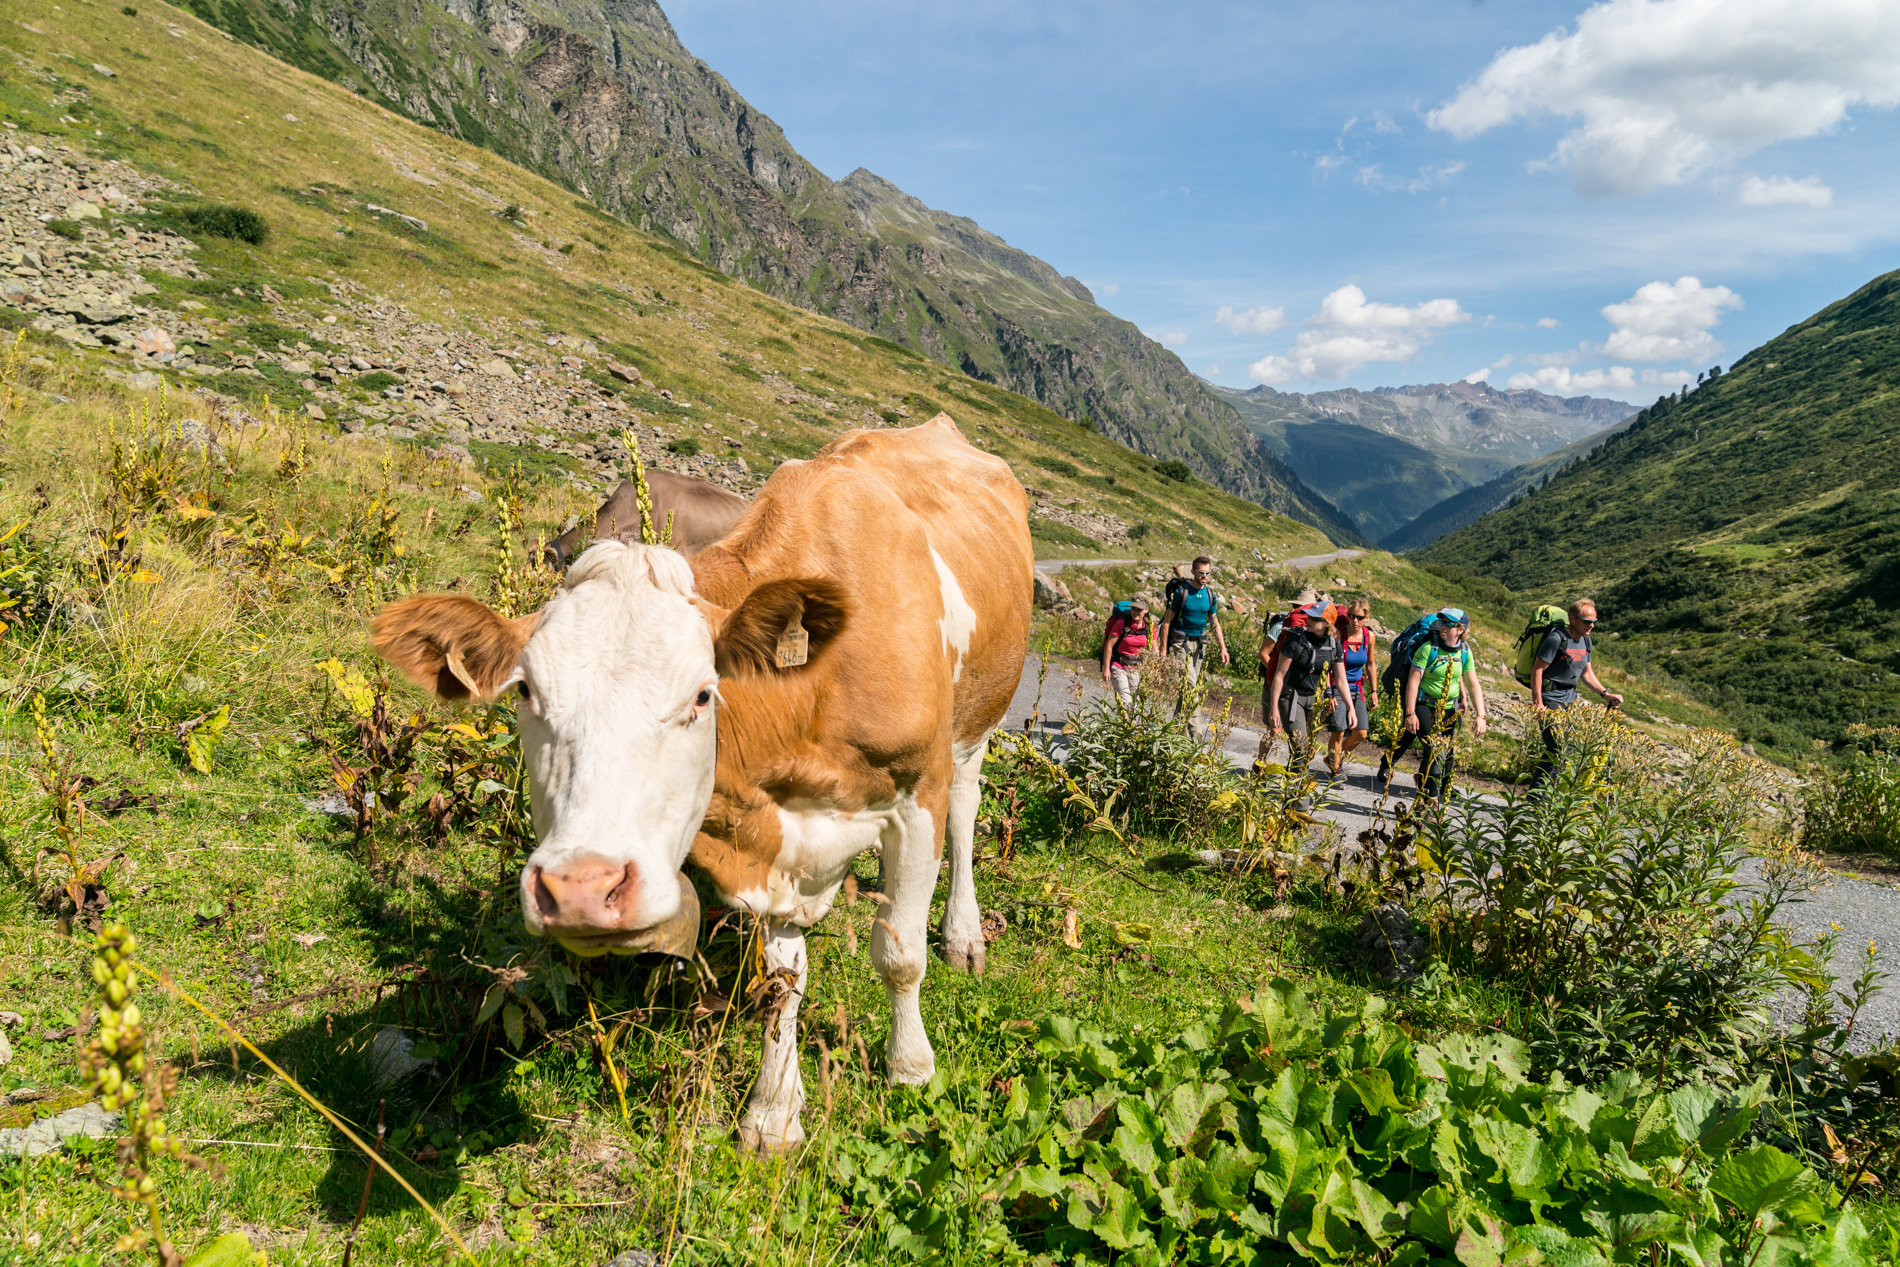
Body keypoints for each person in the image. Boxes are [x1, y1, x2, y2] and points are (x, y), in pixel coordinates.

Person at [1529, 598, 1624, 789]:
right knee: (1557, 746)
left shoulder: (1586, 641)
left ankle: (1545, 793)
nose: (1591, 626)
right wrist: (1538, 704)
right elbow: (1537, 670)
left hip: (1570, 700)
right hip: (1550, 698)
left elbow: (1586, 673)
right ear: (1572, 619)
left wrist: (1605, 694)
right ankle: (1538, 795)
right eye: (1587, 621)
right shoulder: (1556, 639)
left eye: (1594, 622)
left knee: (1566, 748)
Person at [1400, 608, 1488, 804]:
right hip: (1424, 704)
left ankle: (1422, 797)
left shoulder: (1464, 652)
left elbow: (1473, 684)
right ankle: (1432, 802)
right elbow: (1413, 682)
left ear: (1461, 629)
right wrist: (1410, 713)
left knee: (1441, 752)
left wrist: (1481, 716)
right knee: (1435, 749)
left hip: (1449, 708)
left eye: (1448, 623)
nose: (1442, 627)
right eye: (1441, 622)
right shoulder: (1428, 648)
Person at [1263, 602, 1352, 773]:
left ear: (1326, 623)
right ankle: (1298, 788)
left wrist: (1351, 708)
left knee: (1308, 748)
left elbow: (1341, 680)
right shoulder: (1295, 641)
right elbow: (1279, 676)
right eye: (1308, 616)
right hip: (1292, 697)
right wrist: (1274, 708)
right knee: (1301, 746)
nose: (1308, 620)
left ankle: (1294, 782)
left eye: (1314, 618)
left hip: (1316, 700)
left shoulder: (1334, 646)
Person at [1157, 556, 1229, 714]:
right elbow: (1167, 621)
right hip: (1181, 642)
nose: (1205, 576)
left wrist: (1223, 648)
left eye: (1208, 573)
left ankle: (1178, 723)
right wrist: (1163, 649)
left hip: (1200, 644)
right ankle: (1196, 727)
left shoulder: (1210, 595)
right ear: (1193, 572)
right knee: (1191, 684)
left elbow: (1215, 624)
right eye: (1201, 572)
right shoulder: (1181, 592)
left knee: (1188, 687)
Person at [1326, 600, 1378, 778]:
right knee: (1338, 731)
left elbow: (1370, 664)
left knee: (1361, 733)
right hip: (1337, 686)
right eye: (1352, 616)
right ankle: (1335, 771)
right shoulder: (1339, 634)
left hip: (1357, 687)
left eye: (1360, 617)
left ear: (1366, 618)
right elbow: (1327, 665)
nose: (1355, 621)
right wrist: (1329, 692)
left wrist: (1374, 691)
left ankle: (1334, 759)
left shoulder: (1369, 637)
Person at [1099, 594, 1153, 706]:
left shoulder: (1150, 627)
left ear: (1146, 610)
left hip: (1137, 669)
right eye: (1133, 608)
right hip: (1119, 667)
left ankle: (1122, 718)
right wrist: (1106, 669)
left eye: (1139, 609)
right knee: (1126, 703)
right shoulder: (1122, 624)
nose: (1135, 612)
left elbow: (1154, 650)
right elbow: (1109, 645)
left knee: (1135, 705)